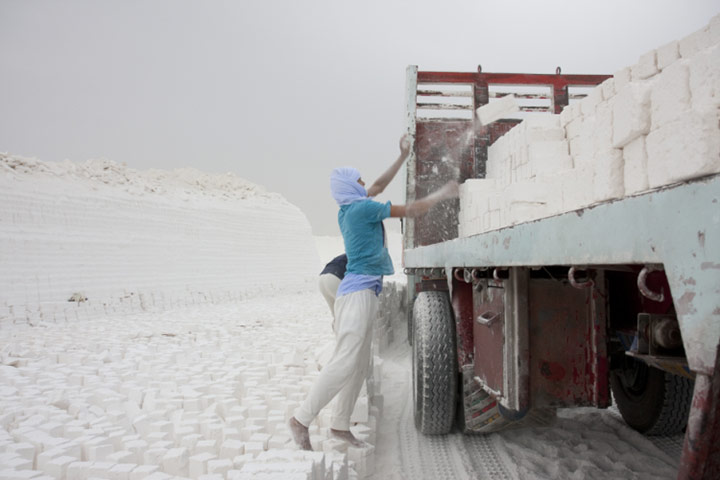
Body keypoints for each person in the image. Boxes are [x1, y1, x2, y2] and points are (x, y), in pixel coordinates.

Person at [289, 134, 459, 450]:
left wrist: (402, 157)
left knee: (359, 363)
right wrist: (444, 194)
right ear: (349, 186)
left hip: (364, 291)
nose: (365, 183)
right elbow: (412, 210)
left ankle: (340, 425)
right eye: (359, 180)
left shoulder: (351, 207)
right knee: (345, 360)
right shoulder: (361, 210)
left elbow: (378, 186)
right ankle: (301, 419)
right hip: (356, 294)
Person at [318, 254, 347, 318]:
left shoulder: (348, 253)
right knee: (347, 313)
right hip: (335, 276)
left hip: (322, 278)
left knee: (336, 315)